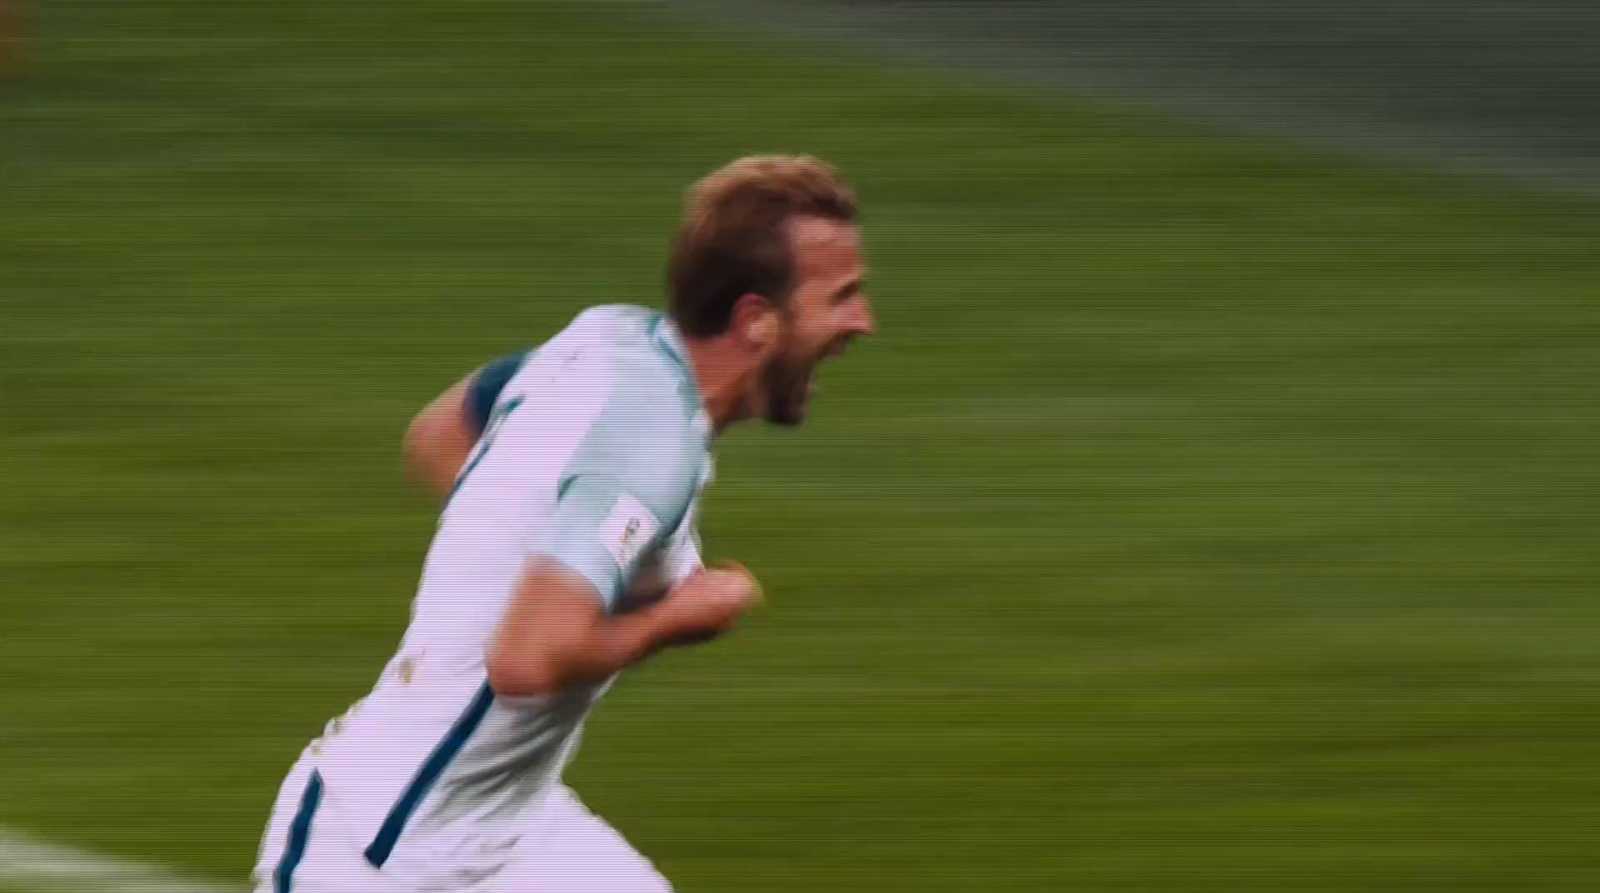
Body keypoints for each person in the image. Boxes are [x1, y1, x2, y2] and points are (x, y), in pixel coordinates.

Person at [251, 154, 877, 893]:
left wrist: (551, 560)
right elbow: (524, 662)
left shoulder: (609, 340)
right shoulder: (650, 450)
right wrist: (676, 616)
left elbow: (442, 433)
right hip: (376, 854)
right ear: (756, 322)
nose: (862, 322)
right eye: (840, 298)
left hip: (510, 831)